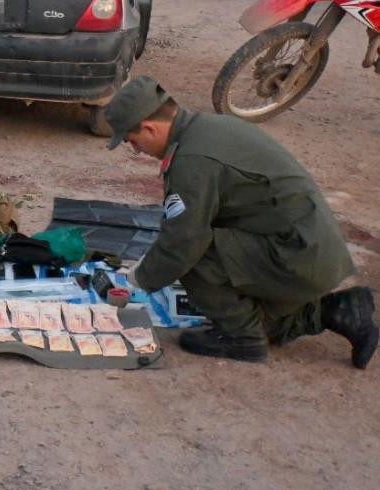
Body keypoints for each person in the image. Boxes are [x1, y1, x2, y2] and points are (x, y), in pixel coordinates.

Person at [105, 75, 378, 368]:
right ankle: (341, 310)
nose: (136, 150)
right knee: (256, 317)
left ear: (149, 127)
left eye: (133, 141)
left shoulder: (192, 159)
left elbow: (184, 242)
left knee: (195, 256)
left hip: (298, 254)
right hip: (311, 249)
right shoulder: (207, 128)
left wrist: (140, 278)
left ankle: (242, 340)